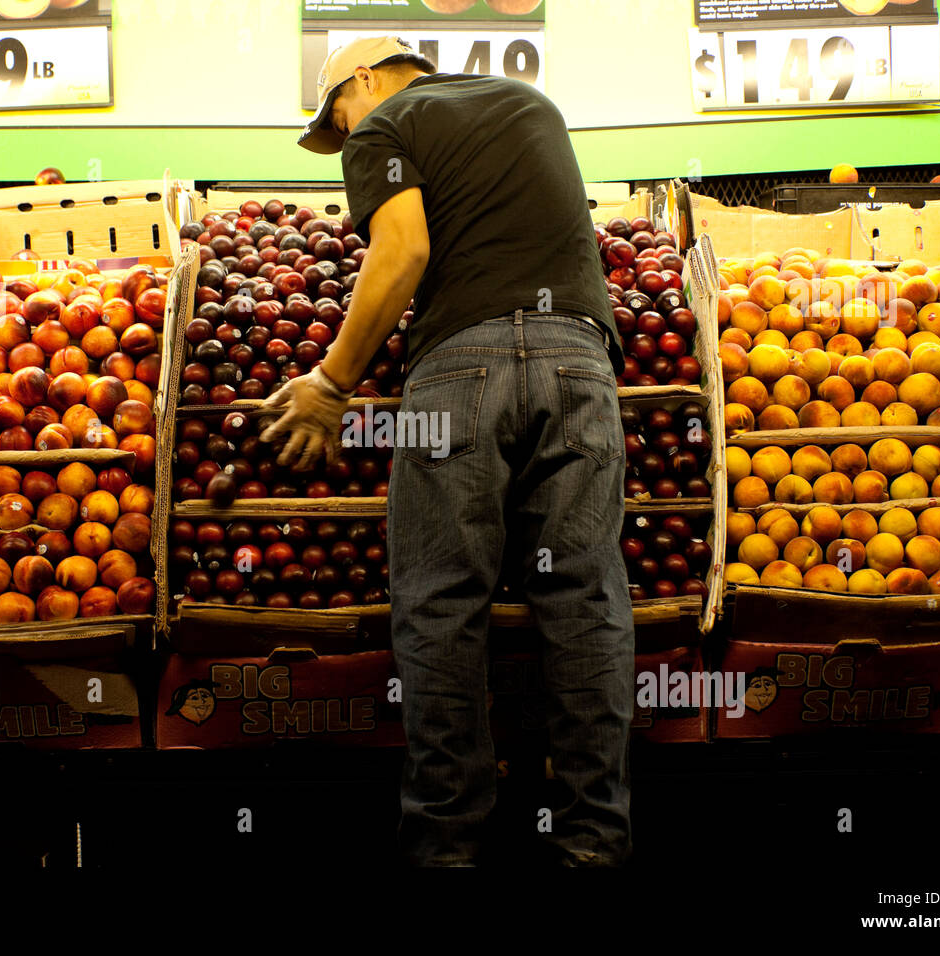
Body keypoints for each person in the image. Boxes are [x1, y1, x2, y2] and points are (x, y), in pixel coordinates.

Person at [262, 36, 633, 867]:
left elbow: (404, 250)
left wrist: (331, 384)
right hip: (579, 361)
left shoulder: (384, 123)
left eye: (338, 117)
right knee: (586, 602)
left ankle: (448, 847)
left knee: (439, 602)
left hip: (461, 367)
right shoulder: (530, 104)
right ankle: (593, 845)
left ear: (364, 81)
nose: (344, 137)